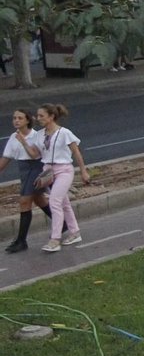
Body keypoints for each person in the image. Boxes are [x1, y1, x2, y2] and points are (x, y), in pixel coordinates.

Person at [34, 102, 87, 251]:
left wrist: (83, 171)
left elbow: (76, 153)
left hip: (63, 170)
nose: (39, 118)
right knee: (64, 204)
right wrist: (22, 142)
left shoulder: (64, 133)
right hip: (48, 171)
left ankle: (55, 239)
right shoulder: (39, 135)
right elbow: (36, 153)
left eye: (41, 116)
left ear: (51, 117)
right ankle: (75, 232)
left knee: (54, 202)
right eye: (38, 116)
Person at [0, 107, 47, 253]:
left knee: (24, 201)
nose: (16, 120)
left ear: (28, 120)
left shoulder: (36, 136)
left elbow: (35, 155)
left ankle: (21, 240)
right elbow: (6, 158)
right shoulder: (14, 137)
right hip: (24, 170)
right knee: (39, 199)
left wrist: (23, 142)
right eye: (14, 118)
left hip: (35, 168)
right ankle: (64, 224)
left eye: (20, 118)